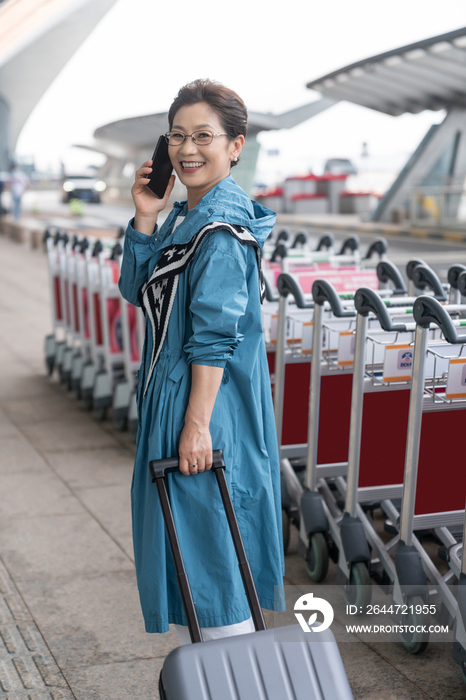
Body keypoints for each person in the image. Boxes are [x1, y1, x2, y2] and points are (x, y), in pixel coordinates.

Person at [119, 79, 284, 644]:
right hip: (181, 399)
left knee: (212, 558)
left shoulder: (220, 229)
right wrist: (145, 216)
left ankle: (235, 678)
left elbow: (213, 339)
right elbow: (135, 287)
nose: (187, 149)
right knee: (197, 553)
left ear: (236, 145)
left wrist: (195, 427)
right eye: (177, 137)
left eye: (204, 137)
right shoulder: (186, 215)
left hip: (207, 406)